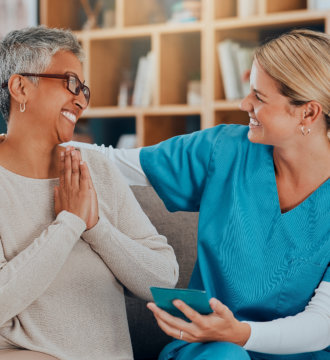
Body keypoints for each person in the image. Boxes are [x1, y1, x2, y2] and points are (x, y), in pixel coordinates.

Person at [69, 29, 330, 359]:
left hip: (296, 350)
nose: (243, 104)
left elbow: (323, 323)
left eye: (260, 98)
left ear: (308, 113)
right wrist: (20, 143)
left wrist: (242, 333)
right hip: (211, 348)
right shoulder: (223, 150)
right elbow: (113, 163)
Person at [0, 26, 178, 360]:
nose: (80, 99)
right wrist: (68, 224)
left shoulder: (95, 169)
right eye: (70, 83)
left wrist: (96, 227)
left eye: (84, 89)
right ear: (20, 87)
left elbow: (163, 279)